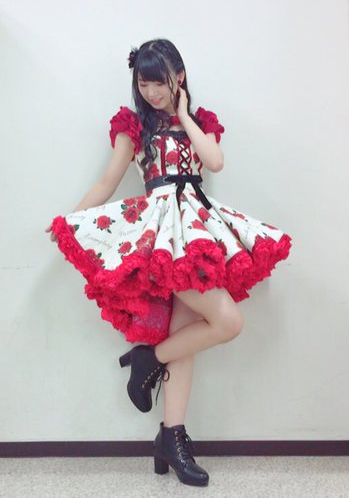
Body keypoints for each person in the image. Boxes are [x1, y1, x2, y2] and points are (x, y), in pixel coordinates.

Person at [45, 38, 291, 487]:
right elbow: (107, 181)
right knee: (227, 321)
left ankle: (168, 432)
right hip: (161, 235)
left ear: (179, 77)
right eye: (144, 83)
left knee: (188, 335)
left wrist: (184, 114)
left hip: (197, 230)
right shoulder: (133, 126)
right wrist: (72, 220)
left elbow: (214, 161)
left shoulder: (201, 121)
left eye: (160, 82)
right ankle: (150, 368)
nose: (152, 92)